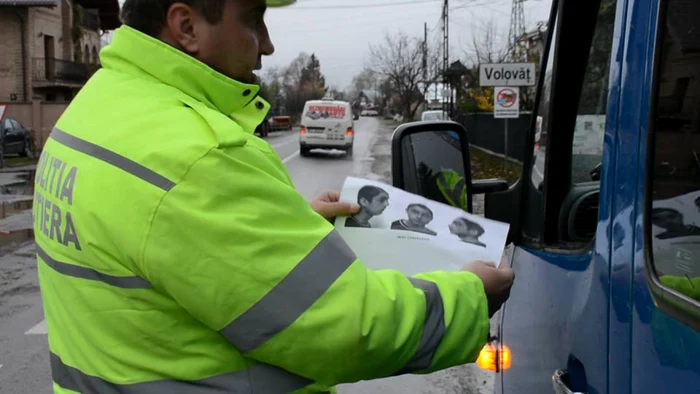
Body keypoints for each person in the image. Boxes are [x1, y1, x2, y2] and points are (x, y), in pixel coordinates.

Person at [33, 0, 514, 392]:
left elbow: (158, 241)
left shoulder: (98, 106)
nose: (267, 44)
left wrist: (278, 230)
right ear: (186, 26)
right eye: (253, 19)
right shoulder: (201, 155)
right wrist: (469, 296)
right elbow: (346, 329)